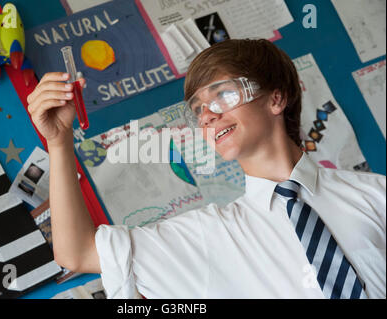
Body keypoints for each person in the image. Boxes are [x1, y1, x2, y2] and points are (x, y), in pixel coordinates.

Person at [26, 39, 386, 299]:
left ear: (276, 98)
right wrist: (59, 142)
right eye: (197, 109)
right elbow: (77, 253)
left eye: (223, 95)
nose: (208, 115)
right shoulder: (207, 235)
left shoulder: (375, 194)